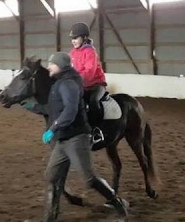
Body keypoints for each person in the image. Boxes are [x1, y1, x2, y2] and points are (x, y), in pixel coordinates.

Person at [41, 52, 128, 221]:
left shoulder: (68, 84)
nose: (49, 66)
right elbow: (54, 108)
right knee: (52, 175)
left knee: (89, 179)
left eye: (51, 64)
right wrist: (32, 105)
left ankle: (118, 203)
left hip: (76, 138)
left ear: (60, 65)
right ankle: (50, 218)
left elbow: (70, 111)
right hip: (63, 139)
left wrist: (53, 127)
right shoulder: (60, 82)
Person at [69, 22, 107, 143]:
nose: (73, 41)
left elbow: (89, 72)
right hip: (81, 86)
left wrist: (74, 80)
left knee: (93, 101)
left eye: (76, 38)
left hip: (96, 85)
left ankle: (96, 131)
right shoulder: (72, 53)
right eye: (72, 38)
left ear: (84, 38)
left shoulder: (90, 52)